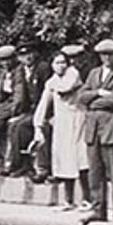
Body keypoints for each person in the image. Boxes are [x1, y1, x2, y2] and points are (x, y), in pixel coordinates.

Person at [79, 39, 113, 224]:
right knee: (95, 171)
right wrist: (99, 93)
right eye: (104, 54)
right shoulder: (94, 73)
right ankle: (98, 209)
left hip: (111, 125)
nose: (107, 58)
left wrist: (94, 98)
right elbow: (82, 97)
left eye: (111, 54)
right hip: (93, 126)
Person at [31, 49, 86, 212]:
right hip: (62, 124)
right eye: (56, 63)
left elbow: (65, 88)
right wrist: (38, 127)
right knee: (64, 161)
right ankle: (68, 201)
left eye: (63, 62)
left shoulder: (73, 74)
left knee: (81, 160)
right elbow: (43, 104)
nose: (60, 66)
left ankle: (88, 199)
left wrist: (52, 86)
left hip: (78, 121)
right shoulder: (52, 81)